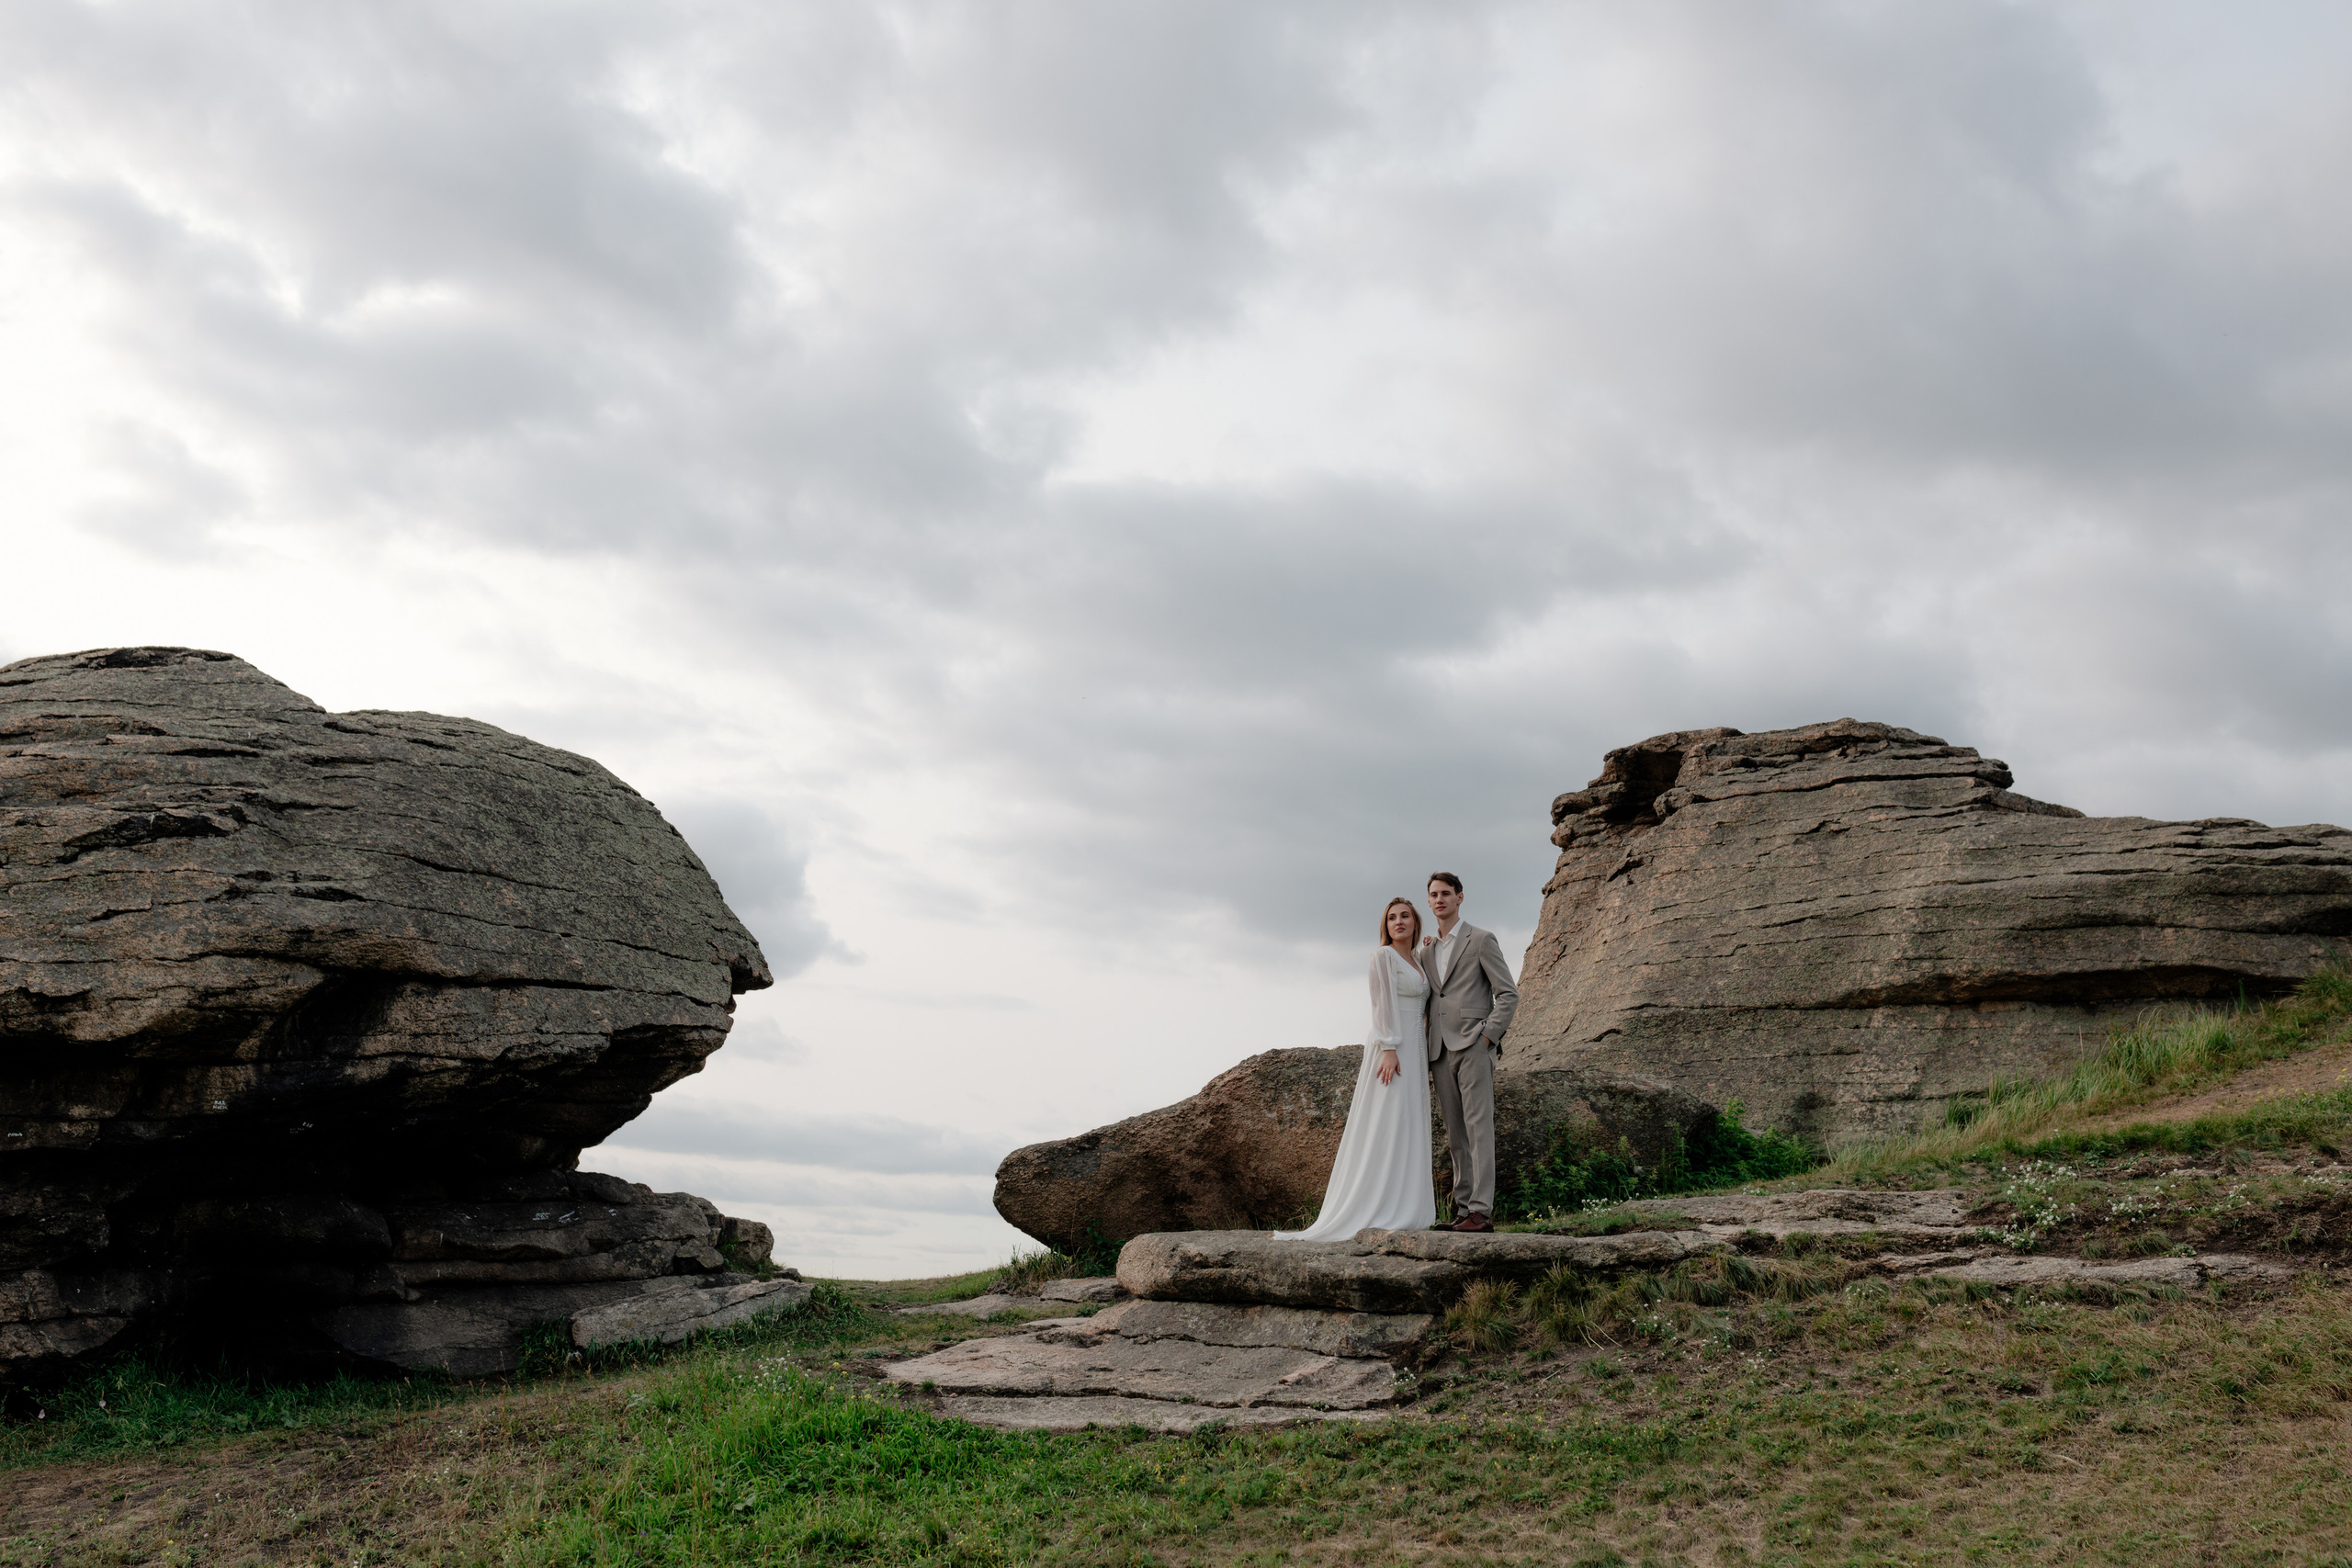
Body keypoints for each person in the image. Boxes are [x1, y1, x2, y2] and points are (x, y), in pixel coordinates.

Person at [1273, 897, 1437, 1239]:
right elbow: (1381, 1004)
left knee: (1409, 1121)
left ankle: (1406, 1204)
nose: (1399, 922)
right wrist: (1389, 1047)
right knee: (1385, 1120)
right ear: (1385, 926)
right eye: (1392, 918)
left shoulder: (1419, 960)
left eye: (1405, 916)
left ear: (1415, 921)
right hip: (1392, 1047)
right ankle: (1375, 1204)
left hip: (1417, 1049)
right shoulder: (1383, 957)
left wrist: (1431, 948)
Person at [1420, 872, 1518, 1233]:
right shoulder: (1426, 950)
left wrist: (1488, 1038)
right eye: (1433, 894)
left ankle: (1482, 1212)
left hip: (1474, 1045)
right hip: (1440, 1050)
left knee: (1479, 1130)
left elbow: (1508, 993)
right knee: (1455, 1135)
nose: (1440, 899)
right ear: (1428, 902)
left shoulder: (1481, 939)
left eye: (1446, 893)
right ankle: (1463, 1210)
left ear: (1460, 898)